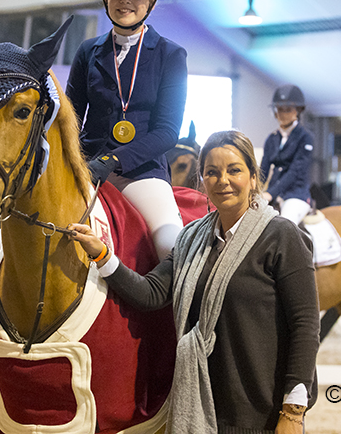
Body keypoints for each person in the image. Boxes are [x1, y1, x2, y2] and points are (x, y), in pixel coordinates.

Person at [67, 130, 320, 434]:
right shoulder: (191, 238)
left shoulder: (281, 236)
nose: (223, 180)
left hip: (263, 409)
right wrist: (103, 255)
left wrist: (293, 412)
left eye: (234, 170)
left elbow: (305, 325)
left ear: (253, 178)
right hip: (205, 403)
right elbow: (152, 293)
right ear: (202, 179)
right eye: (212, 172)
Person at [65, 0, 188, 260]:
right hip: (87, 167)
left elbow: (167, 131)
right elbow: (71, 117)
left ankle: (181, 308)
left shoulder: (170, 55)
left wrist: (114, 161)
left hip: (143, 172)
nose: (126, 2)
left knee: (170, 245)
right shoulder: (87, 52)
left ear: (151, 1)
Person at [260, 85, 315, 225]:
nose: (283, 114)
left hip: (295, 194)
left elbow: (295, 171)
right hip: (272, 193)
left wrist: (270, 193)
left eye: (288, 109)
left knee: (285, 224)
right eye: (280, 109)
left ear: (298, 110)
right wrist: (255, 189)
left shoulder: (305, 137)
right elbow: (263, 169)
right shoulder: (272, 138)